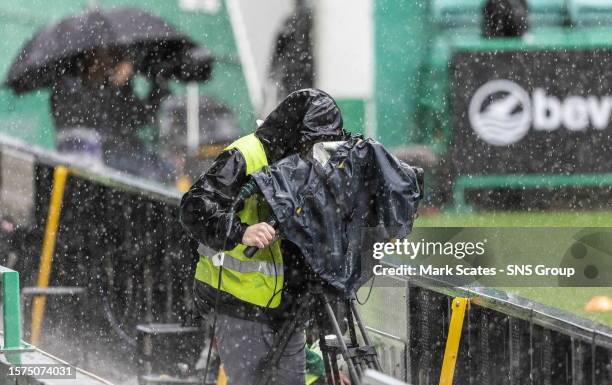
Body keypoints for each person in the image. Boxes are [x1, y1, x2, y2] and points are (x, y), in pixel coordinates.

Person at [180, 88, 348, 385]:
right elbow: (194, 208)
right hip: (238, 301)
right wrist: (241, 233)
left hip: (287, 304)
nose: (316, 153)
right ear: (295, 135)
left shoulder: (310, 164)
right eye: (312, 144)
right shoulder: (246, 154)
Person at [50, 47, 170, 179]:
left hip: (122, 153)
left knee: (164, 169)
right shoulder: (70, 85)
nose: (128, 69)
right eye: (114, 56)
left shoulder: (119, 88)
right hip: (97, 155)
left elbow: (139, 117)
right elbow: (93, 120)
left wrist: (158, 87)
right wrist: (113, 86)